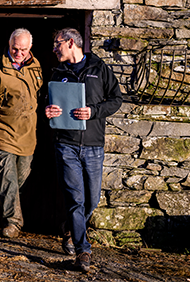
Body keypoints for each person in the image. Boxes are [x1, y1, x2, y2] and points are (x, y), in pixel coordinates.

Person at [45, 28, 122, 272]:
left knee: (93, 199)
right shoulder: (57, 72)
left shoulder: (100, 69)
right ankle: (83, 250)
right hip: (65, 145)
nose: (54, 49)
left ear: (70, 43)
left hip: (93, 146)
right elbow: (44, 103)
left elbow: (116, 100)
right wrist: (47, 111)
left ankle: (70, 227)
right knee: (75, 199)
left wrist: (94, 112)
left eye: (57, 44)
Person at [0, 28, 43, 238]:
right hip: (2, 132)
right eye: (15, 48)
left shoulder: (36, 67)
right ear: (9, 44)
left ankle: (0, 214)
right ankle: (13, 223)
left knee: (20, 178)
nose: (19, 53)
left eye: (23, 49)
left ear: (30, 47)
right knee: (8, 177)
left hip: (27, 135)